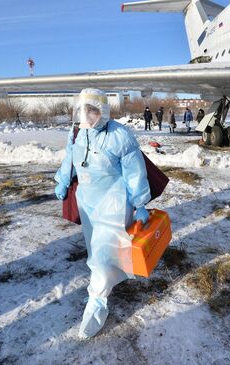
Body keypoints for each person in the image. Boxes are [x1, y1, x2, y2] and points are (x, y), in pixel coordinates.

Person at [54, 88, 151, 338]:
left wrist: (140, 203)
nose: (87, 115)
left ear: (104, 111)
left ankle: (96, 305)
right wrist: (63, 180)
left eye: (93, 110)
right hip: (87, 201)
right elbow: (71, 158)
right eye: (83, 110)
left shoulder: (120, 135)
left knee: (102, 253)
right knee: (97, 249)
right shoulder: (77, 132)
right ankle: (106, 277)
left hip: (113, 201)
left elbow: (135, 171)